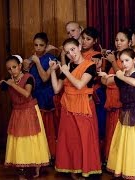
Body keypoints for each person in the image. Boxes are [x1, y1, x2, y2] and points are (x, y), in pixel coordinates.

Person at [100, 48, 135, 179]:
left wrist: (120, 75)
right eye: (122, 61)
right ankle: (128, 169)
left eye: (127, 60)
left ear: (134, 60)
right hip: (126, 112)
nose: (124, 63)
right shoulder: (122, 75)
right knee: (127, 143)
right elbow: (107, 82)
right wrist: (104, 76)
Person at [50, 38, 101, 179]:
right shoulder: (67, 67)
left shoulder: (89, 65)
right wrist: (53, 71)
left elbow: (80, 85)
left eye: (73, 49)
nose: (71, 54)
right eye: (67, 52)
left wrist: (66, 72)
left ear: (79, 47)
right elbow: (56, 89)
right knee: (71, 141)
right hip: (68, 107)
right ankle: (73, 169)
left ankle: (85, 170)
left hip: (83, 106)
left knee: (85, 140)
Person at [0, 55, 50, 180]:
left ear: (20, 66)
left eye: (14, 67)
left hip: (29, 110)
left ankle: (36, 167)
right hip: (17, 112)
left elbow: (27, 94)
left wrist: (12, 84)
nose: (12, 71)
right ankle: (21, 171)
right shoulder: (9, 80)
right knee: (19, 141)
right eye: (9, 69)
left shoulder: (28, 78)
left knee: (32, 139)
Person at [24, 32, 58, 160]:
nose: (38, 48)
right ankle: (37, 153)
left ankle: (48, 155)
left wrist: (37, 62)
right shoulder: (32, 58)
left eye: (41, 45)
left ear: (46, 45)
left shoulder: (51, 59)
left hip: (46, 95)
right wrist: (27, 67)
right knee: (35, 125)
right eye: (36, 45)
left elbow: (44, 78)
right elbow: (28, 77)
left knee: (46, 126)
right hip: (34, 94)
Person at [102, 28, 131, 161]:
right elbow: (105, 80)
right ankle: (111, 160)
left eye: (122, 40)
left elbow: (122, 77)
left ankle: (119, 161)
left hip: (121, 99)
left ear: (129, 42)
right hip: (111, 97)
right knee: (110, 129)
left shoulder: (128, 58)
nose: (118, 43)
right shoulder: (115, 56)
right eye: (116, 40)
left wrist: (113, 62)